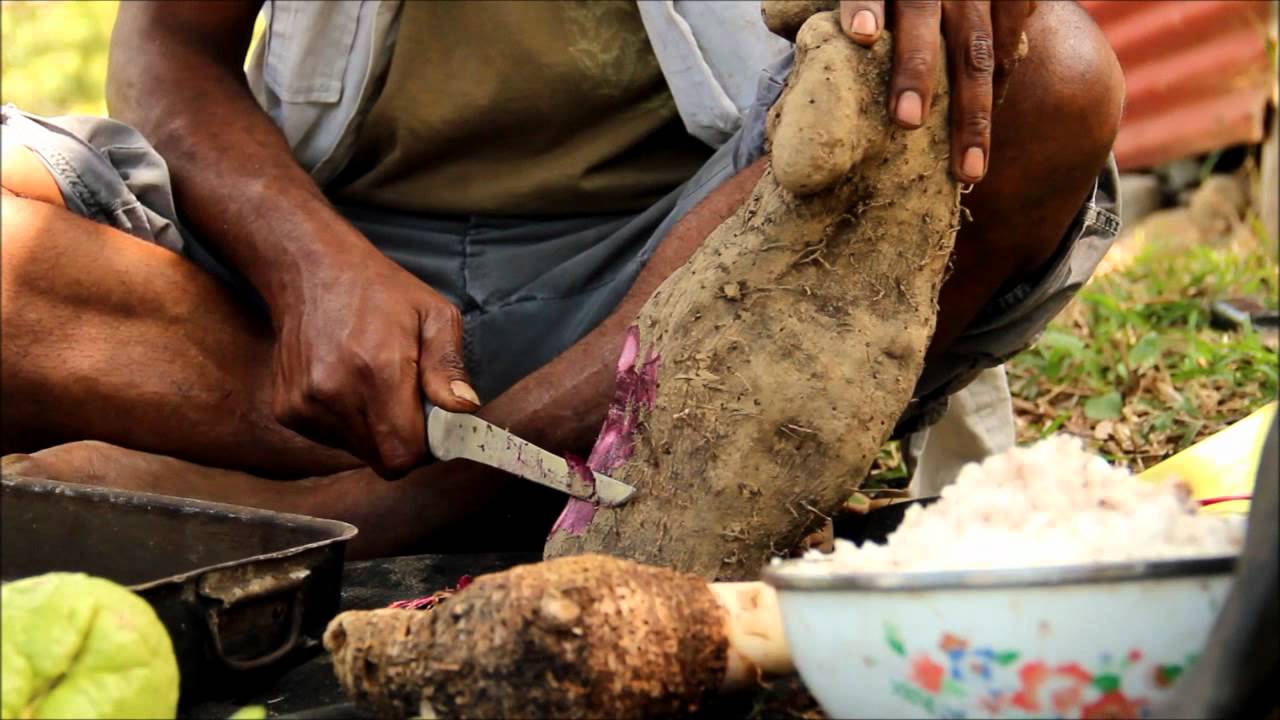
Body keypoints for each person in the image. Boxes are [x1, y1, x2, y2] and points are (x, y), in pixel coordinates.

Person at [0, 0, 1123, 558]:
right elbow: (169, 45)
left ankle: (373, 508)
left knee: (1052, 71)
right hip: (312, 317)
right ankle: (546, 471)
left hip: (692, 287)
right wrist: (310, 265)